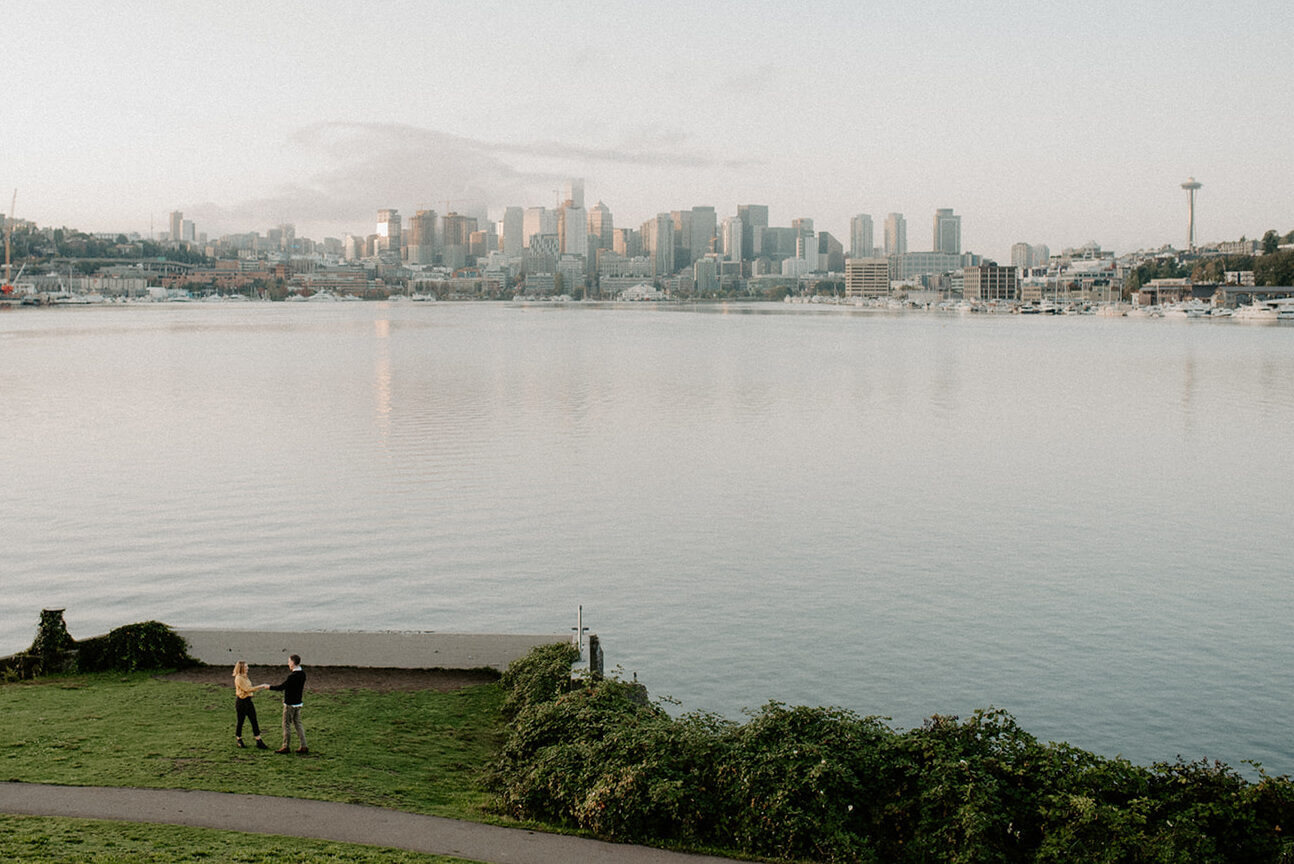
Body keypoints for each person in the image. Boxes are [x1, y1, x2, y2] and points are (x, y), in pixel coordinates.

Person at [268, 654, 308, 754]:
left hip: (290, 704)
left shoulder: (292, 676)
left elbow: (282, 687)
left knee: (286, 724)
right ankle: (304, 745)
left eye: (289, 661)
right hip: (298, 703)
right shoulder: (302, 674)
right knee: (298, 724)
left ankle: (286, 746)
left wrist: (269, 687)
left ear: (293, 663)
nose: (288, 664)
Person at [232, 661, 270, 749]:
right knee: (240, 721)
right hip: (241, 702)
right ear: (241, 668)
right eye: (246, 667)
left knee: (254, 720)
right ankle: (239, 739)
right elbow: (247, 689)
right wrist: (261, 686)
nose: (247, 668)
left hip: (248, 701)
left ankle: (258, 740)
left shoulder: (245, 677)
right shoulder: (239, 678)